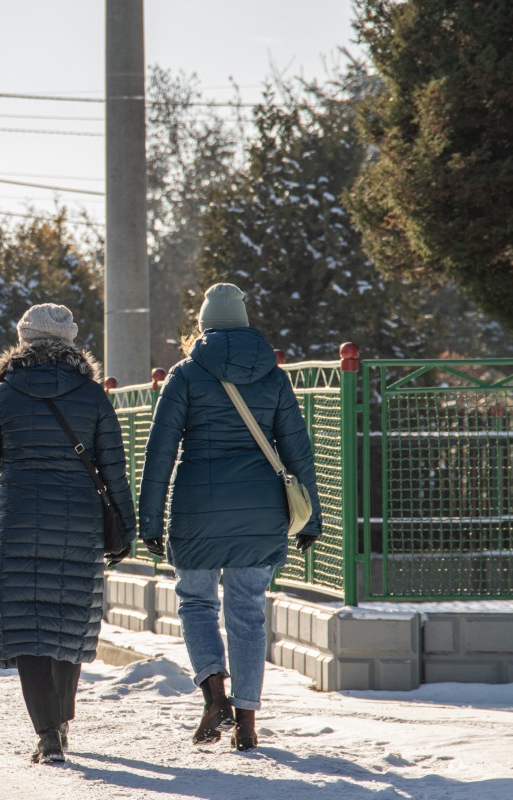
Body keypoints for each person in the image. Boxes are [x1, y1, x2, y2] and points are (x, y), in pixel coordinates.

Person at [137, 283, 322, 752]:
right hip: (260, 511)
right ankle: (247, 723)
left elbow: (160, 452)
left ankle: (214, 694)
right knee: (247, 613)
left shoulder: (184, 376)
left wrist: (150, 520)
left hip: (196, 509)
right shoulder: (274, 376)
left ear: (204, 325)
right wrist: (312, 515)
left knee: (196, 603)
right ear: (243, 323)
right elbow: (297, 448)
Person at [0, 303, 136, 764]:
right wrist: (125, 526)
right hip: (80, 524)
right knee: (69, 620)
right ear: (69, 341)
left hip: (19, 521)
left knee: (27, 628)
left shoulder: (3, 395)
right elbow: (114, 470)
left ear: (23, 339)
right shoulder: (92, 395)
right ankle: (61, 720)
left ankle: (46, 732)